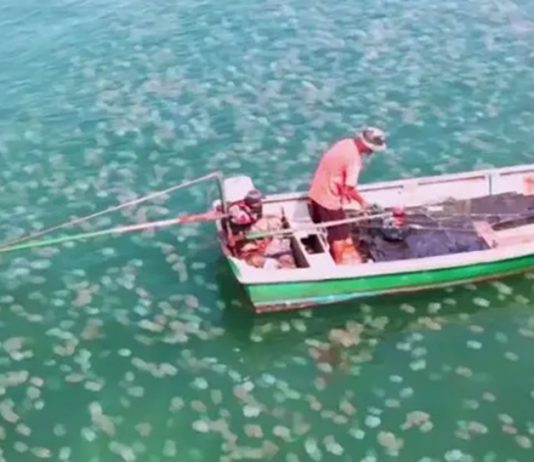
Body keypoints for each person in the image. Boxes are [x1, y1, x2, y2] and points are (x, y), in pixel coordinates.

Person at [308, 127, 387, 265]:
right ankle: (339, 265)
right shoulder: (354, 161)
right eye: (372, 149)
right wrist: (362, 202)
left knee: (323, 224)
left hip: (316, 191)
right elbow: (349, 189)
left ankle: (317, 244)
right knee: (339, 236)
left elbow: (336, 172)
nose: (371, 152)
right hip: (329, 199)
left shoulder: (345, 143)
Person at [227, 189, 295, 269]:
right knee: (254, 258)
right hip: (249, 241)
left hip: (267, 239)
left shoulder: (267, 219)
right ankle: (272, 265)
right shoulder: (239, 214)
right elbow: (235, 238)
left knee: (286, 258)